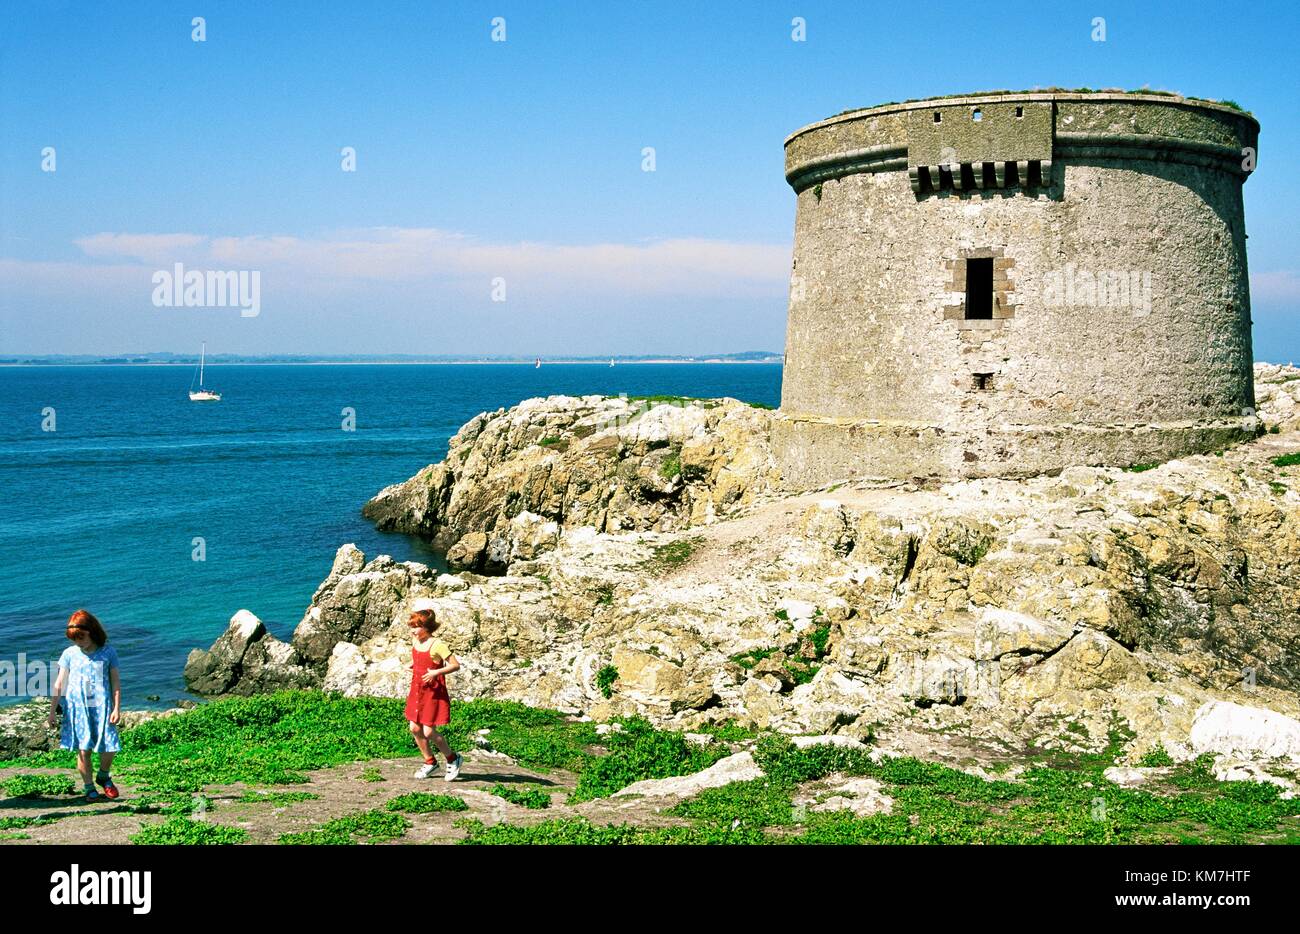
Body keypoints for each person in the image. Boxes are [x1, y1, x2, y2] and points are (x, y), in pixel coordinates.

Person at [46, 609, 121, 800]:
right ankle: (89, 788)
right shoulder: (69, 654)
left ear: (91, 631)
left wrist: (116, 707)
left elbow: (115, 682)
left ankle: (103, 776)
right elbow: (59, 683)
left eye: (81, 637)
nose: (78, 642)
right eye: (74, 639)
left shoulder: (108, 652)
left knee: (110, 747)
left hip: (102, 707)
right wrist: (52, 711)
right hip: (77, 709)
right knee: (83, 750)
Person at [404, 608, 463, 781]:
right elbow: (418, 659)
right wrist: (411, 665)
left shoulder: (438, 645)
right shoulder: (416, 640)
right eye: (412, 626)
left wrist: (435, 673)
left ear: (427, 628)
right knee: (414, 728)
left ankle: (453, 758)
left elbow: (455, 665)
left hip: (432, 692)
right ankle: (430, 762)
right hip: (417, 689)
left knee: (429, 732)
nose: (412, 631)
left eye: (416, 627)